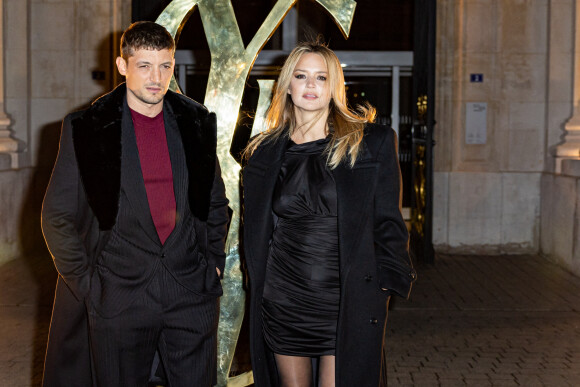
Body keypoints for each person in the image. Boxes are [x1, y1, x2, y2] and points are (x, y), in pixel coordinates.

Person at [41, 21, 229, 387]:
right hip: (117, 296)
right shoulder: (87, 127)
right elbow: (57, 216)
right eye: (144, 65)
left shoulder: (195, 121)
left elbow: (215, 202)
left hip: (191, 293)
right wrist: (88, 286)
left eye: (165, 66)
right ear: (122, 66)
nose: (156, 77)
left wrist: (214, 265)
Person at [242, 41, 417, 387]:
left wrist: (385, 285)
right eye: (302, 76)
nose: (310, 85)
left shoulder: (371, 143)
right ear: (287, 85)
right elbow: (255, 227)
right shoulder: (263, 151)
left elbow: (389, 222)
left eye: (321, 77)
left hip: (345, 299)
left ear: (334, 86)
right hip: (284, 297)